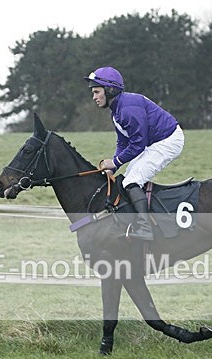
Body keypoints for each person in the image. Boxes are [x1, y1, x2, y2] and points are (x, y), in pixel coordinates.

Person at [84, 66, 184, 241]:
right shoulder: (117, 110)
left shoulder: (127, 110)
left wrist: (115, 162)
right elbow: (123, 142)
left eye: (97, 92)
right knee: (127, 179)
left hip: (168, 141)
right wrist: (114, 168)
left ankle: (146, 229)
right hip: (154, 142)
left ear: (110, 90)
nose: (94, 97)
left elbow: (138, 144)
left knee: (131, 180)